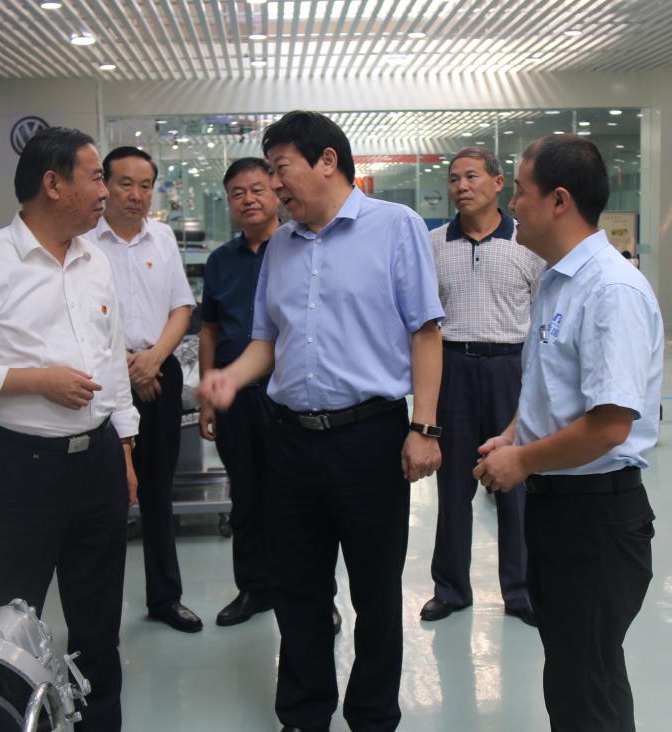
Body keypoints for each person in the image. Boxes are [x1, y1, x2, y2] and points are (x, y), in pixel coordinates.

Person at [198, 111, 444, 732]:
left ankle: (372, 716)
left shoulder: (396, 227)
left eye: (281, 168)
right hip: (290, 442)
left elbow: (425, 331)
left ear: (327, 161)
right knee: (298, 588)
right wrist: (230, 377)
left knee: (375, 591)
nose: (274, 184)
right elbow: (266, 341)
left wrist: (424, 427)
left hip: (370, 438)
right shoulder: (281, 245)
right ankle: (304, 713)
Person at [0, 127, 138, 731]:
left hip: (96, 462)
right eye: (95, 177)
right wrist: (33, 381)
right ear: (53, 183)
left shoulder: (95, 261)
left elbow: (112, 361)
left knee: (98, 618)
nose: (105, 191)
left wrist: (123, 450)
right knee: (10, 625)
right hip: (19, 470)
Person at [474, 133, 662, 732]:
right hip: (560, 509)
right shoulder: (559, 281)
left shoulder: (610, 289)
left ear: (559, 200)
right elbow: (556, 386)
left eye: (520, 192)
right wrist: (516, 434)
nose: (512, 206)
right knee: (572, 673)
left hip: (596, 521)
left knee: (588, 687)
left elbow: (609, 426)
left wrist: (523, 461)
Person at [421, 147, 544, 627]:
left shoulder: (526, 243)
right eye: (454, 179)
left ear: (498, 182)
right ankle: (451, 589)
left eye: (471, 176)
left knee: (515, 485)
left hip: (510, 369)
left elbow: (541, 323)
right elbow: (424, 322)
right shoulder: (433, 244)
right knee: (453, 487)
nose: (461, 186)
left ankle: (521, 591)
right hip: (452, 367)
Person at [83, 146, 201, 633]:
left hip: (159, 372)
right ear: (105, 185)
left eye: (145, 185)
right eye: (125, 183)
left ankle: (165, 598)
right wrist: (127, 368)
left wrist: (153, 361)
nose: (136, 194)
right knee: (105, 497)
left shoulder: (163, 237)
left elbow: (181, 308)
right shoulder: (84, 242)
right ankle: (98, 613)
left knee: (157, 490)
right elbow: (82, 320)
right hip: (103, 377)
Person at [199, 157, 280, 627]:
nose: (248, 199)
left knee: (297, 499)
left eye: (257, 189)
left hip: (286, 397)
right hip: (236, 398)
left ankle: (314, 593)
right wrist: (209, 396)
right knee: (245, 498)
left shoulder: (296, 249)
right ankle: (253, 589)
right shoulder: (220, 262)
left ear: (276, 192)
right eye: (237, 193)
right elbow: (209, 330)